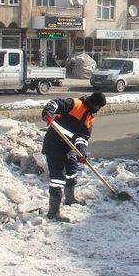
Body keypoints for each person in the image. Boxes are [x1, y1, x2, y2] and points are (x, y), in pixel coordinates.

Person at [41, 92, 107, 221]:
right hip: (54, 145)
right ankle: (53, 212)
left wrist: (81, 153)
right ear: (93, 103)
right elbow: (55, 103)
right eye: (98, 107)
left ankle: (70, 199)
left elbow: (83, 138)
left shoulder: (89, 118)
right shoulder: (75, 104)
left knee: (72, 171)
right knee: (58, 179)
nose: (98, 110)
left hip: (69, 148)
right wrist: (48, 113)